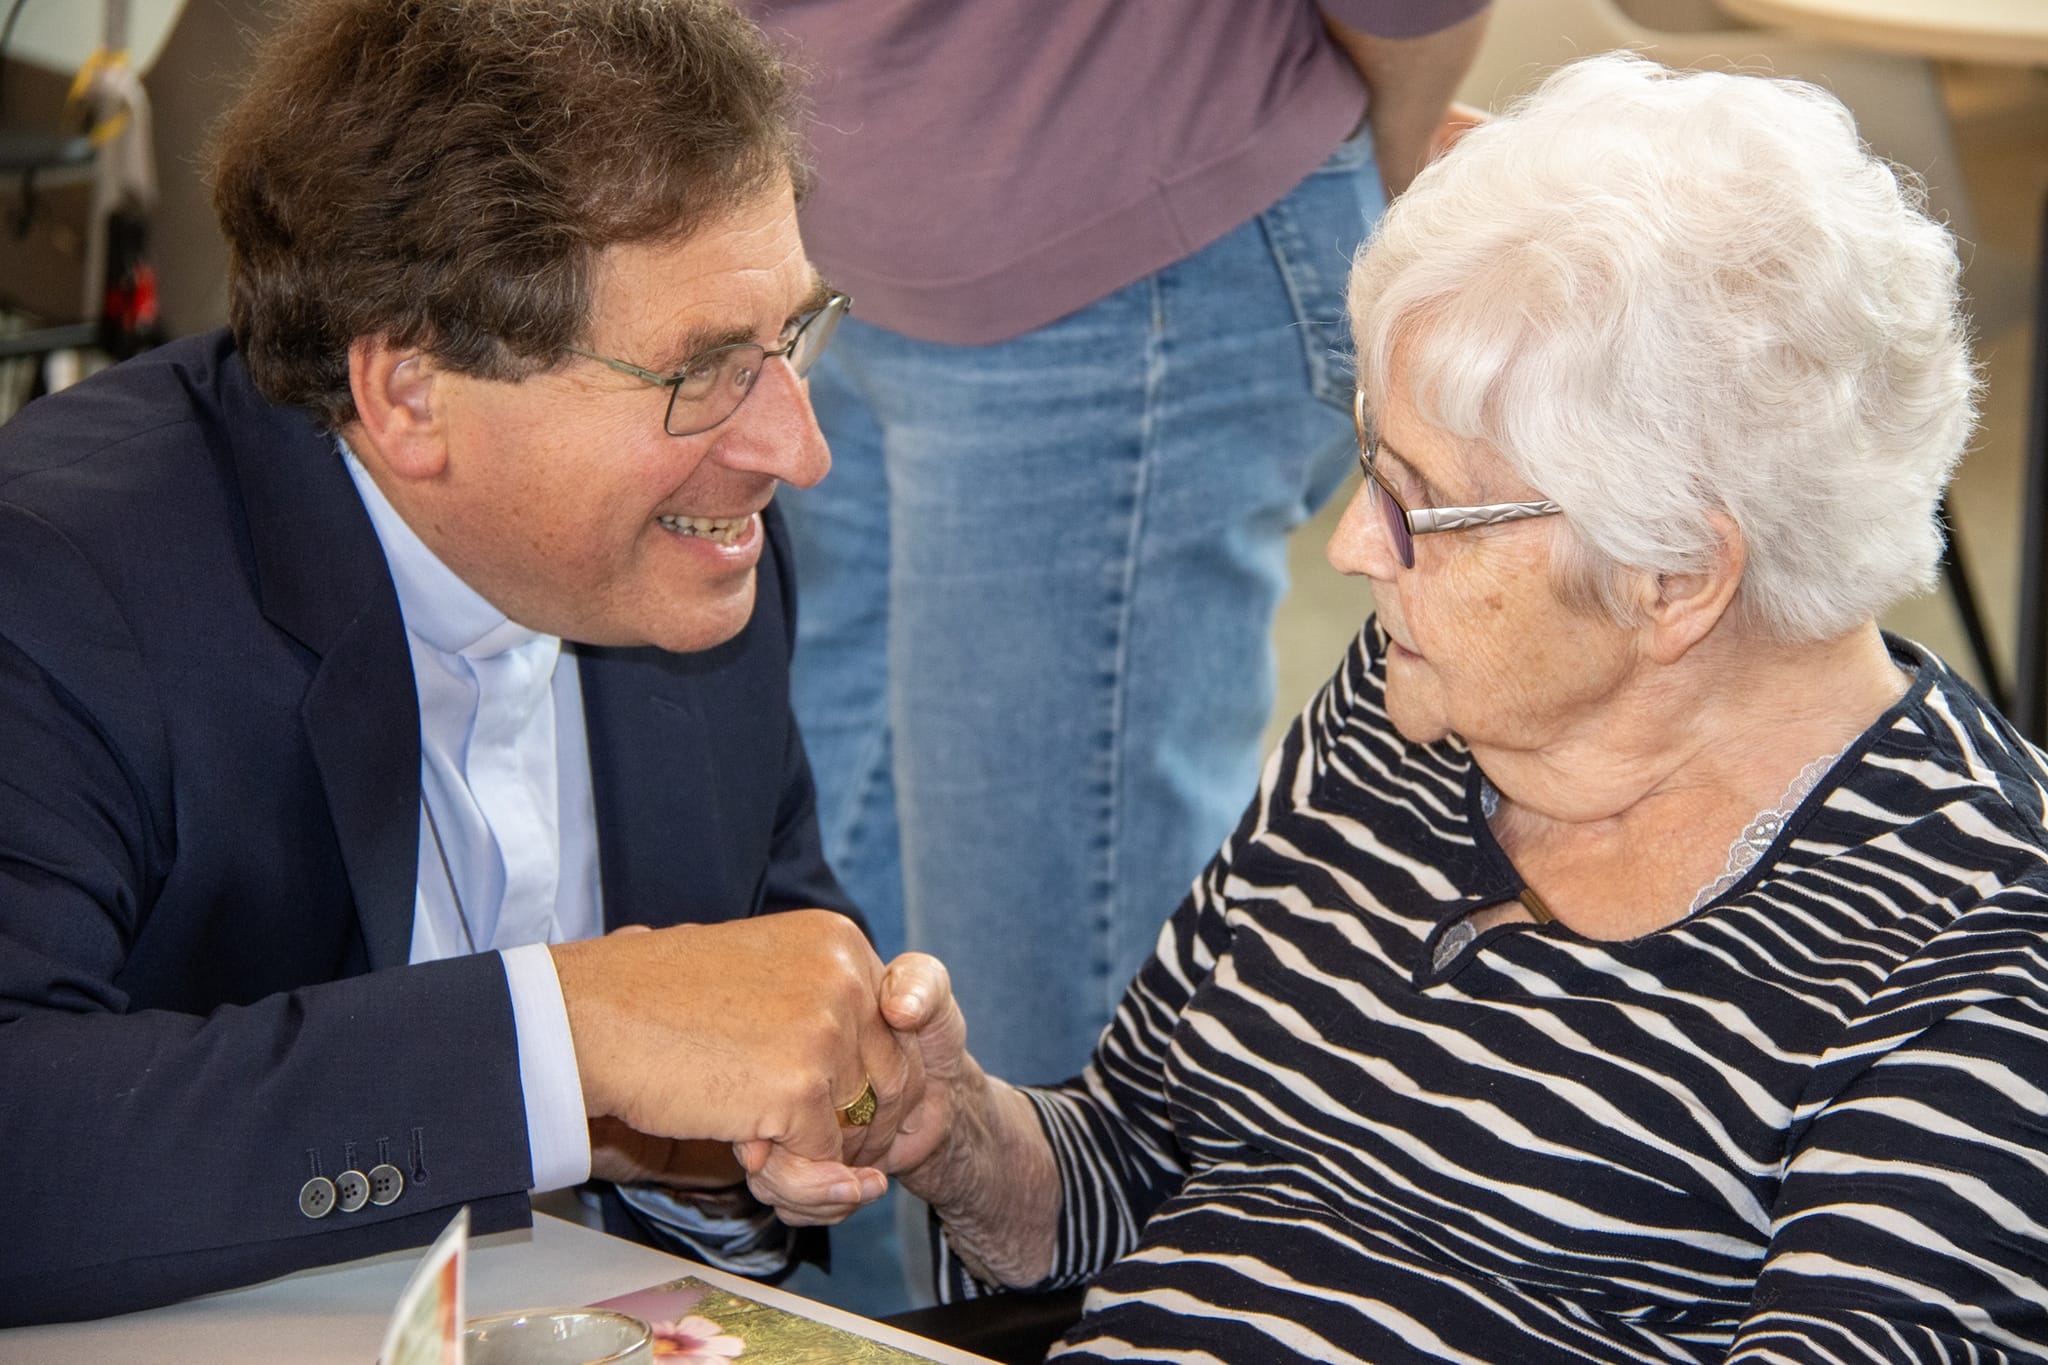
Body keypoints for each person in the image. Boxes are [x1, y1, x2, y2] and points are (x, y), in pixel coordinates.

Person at [746, 53, 2048, 1362]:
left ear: (1672, 579)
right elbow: (1131, 1170)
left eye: (1423, 503)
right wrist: (953, 1129)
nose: (1358, 550)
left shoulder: (1978, 955)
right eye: (1371, 463)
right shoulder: (1407, 714)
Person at [0, 0, 918, 1326]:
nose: (798, 448)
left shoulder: (701, 564)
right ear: (411, 396)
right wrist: (568, 1038)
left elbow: (738, 1009)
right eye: (703, 373)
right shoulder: (67, 583)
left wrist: (754, 1128)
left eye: (792, 338)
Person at [747, 0, 1493, 1090]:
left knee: (1047, 1029)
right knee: (843, 945)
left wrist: (1375, 193)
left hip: (1114, 252)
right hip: (826, 251)